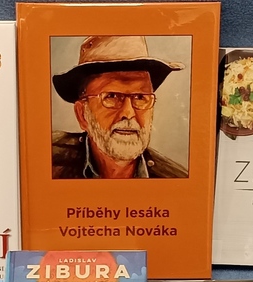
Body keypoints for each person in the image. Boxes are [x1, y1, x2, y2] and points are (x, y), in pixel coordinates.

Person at [51, 35, 188, 179]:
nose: (128, 113)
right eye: (111, 96)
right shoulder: (46, 163)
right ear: (82, 114)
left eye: (140, 97)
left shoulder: (175, 179)